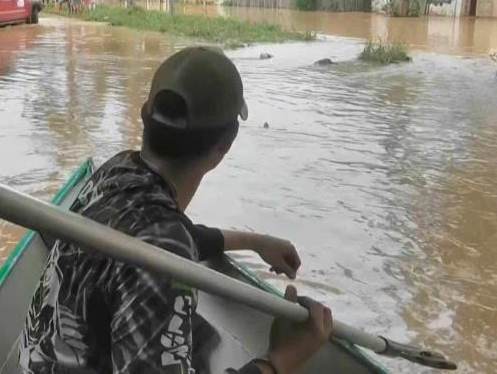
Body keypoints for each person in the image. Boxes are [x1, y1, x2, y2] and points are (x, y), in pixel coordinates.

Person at [19, 47, 333, 374]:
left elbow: (162, 238)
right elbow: (164, 245)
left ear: (146, 117)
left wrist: (254, 242)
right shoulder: (164, 248)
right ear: (224, 145)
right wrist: (280, 360)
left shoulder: (119, 169)